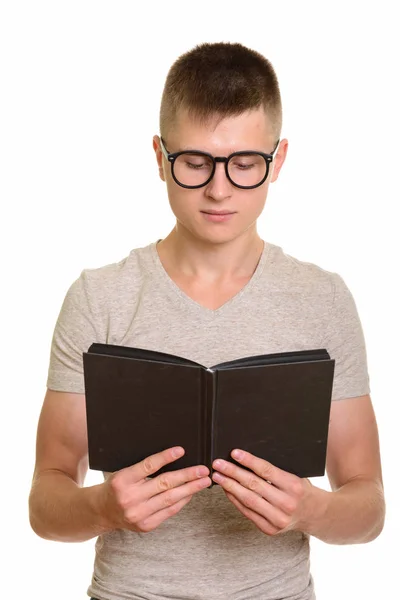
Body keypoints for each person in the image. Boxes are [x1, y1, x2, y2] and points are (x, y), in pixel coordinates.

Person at [29, 42, 385, 600]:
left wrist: (309, 509)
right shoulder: (100, 298)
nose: (219, 190)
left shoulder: (323, 299)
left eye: (245, 164)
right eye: (195, 163)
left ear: (279, 160)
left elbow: (368, 507)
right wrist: (102, 506)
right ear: (159, 155)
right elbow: (45, 504)